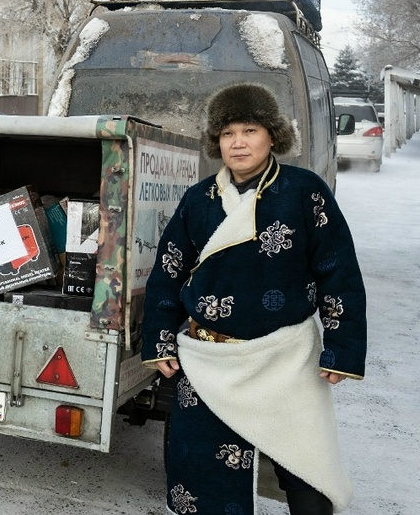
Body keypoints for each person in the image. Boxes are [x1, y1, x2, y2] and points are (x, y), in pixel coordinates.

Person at [140, 83, 366, 515]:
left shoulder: (304, 192)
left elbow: (339, 273)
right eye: (227, 133)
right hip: (209, 360)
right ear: (216, 141)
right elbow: (167, 273)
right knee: (204, 472)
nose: (238, 142)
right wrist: (158, 340)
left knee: (306, 468)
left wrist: (344, 349)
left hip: (284, 357)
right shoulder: (198, 200)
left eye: (250, 130)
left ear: (272, 136)